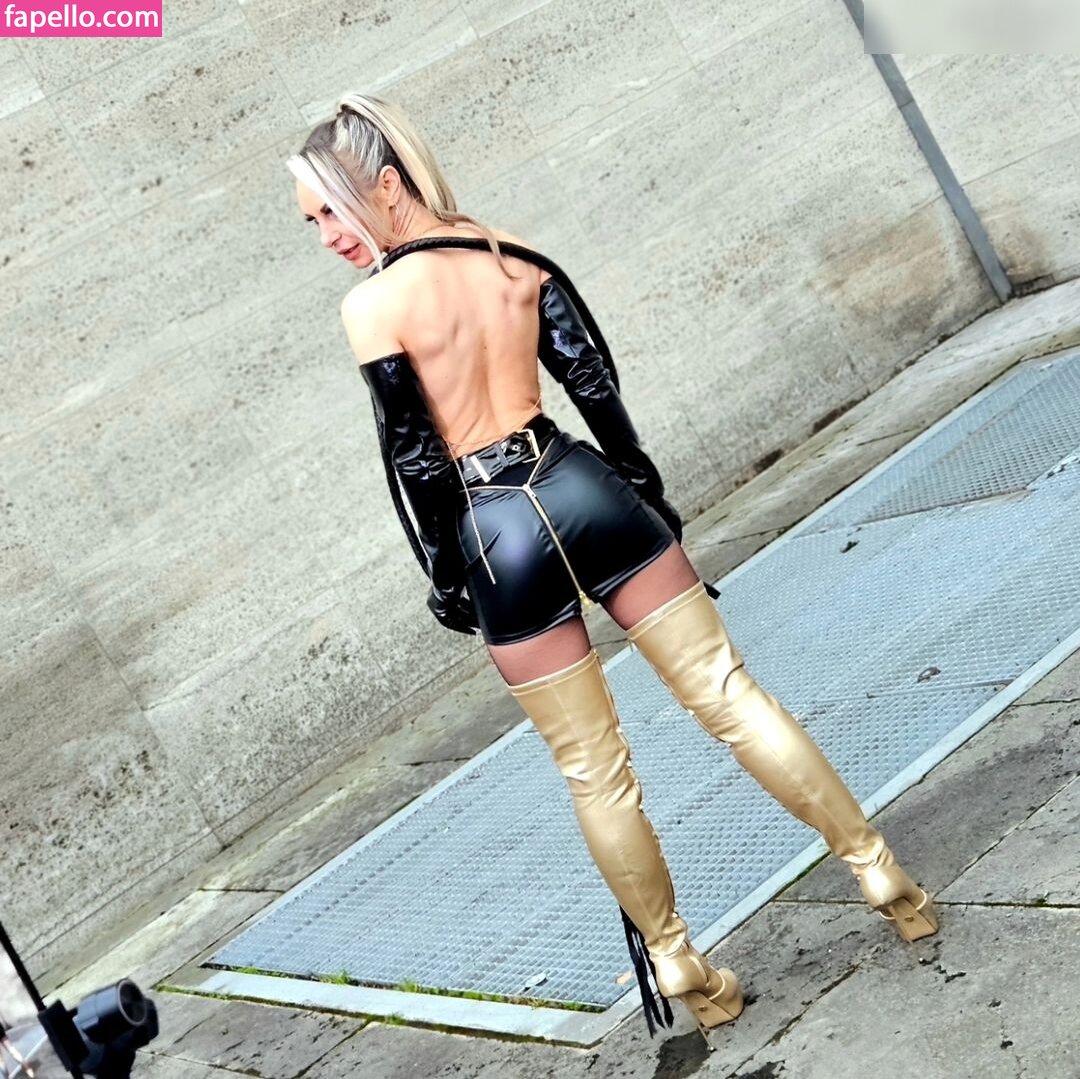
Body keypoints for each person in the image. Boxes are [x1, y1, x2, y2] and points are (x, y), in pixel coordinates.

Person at [288, 93, 938, 1045]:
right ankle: (879, 870)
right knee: (730, 694)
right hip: (583, 485)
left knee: (595, 771)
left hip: (495, 532)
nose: (327, 238)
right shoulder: (514, 257)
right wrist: (645, 495)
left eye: (330, 211)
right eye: (312, 222)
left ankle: (679, 962)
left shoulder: (373, 306)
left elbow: (416, 458)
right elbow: (593, 382)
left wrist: (446, 572)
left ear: (385, 186)